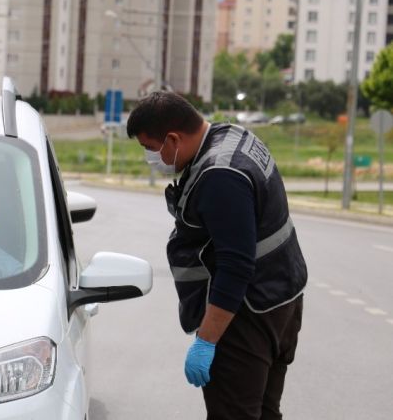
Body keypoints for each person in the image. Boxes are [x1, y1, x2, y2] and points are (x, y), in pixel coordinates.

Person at [126, 92, 307, 419]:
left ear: (173, 138)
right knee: (265, 412)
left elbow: (236, 267)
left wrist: (207, 341)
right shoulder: (234, 138)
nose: (151, 158)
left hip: (245, 315)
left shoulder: (219, 176)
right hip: (281, 299)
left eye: (150, 149)